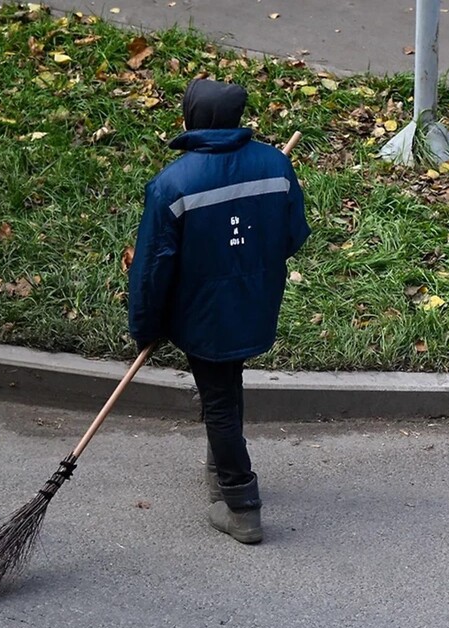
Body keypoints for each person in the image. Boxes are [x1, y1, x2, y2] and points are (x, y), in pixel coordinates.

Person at [128, 78, 311, 541]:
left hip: (202, 312)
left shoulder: (172, 184)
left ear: (193, 118)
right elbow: (293, 236)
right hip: (255, 301)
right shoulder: (274, 165)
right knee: (227, 385)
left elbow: (152, 269)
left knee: (219, 399)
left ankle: (241, 504)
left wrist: (145, 325)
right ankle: (219, 463)